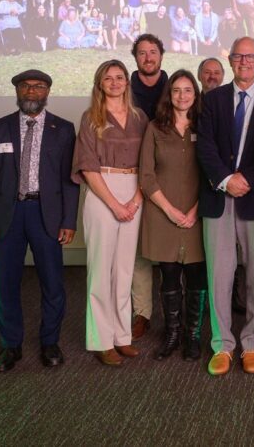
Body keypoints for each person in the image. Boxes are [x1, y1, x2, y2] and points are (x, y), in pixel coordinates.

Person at [0, 70, 78, 372]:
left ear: (48, 92)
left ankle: (50, 341)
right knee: (5, 284)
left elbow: (69, 181)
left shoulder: (64, 129)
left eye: (39, 86)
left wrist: (69, 220)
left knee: (53, 282)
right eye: (25, 86)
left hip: (47, 215)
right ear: (17, 91)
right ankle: (11, 345)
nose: (32, 91)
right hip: (7, 215)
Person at [197, 38, 254, 375]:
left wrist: (246, 178)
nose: (245, 61)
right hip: (218, 198)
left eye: (251, 56)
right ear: (231, 60)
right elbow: (205, 147)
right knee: (219, 277)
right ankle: (222, 345)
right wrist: (225, 179)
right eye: (239, 56)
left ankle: (251, 344)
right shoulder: (213, 99)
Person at [73, 60, 148, 366]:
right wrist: (116, 205)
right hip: (102, 190)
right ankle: (101, 340)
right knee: (101, 271)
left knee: (125, 270)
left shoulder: (140, 117)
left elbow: (149, 164)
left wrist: (136, 200)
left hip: (135, 190)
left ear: (127, 82)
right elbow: (87, 166)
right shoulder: (91, 118)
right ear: (100, 84)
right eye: (108, 78)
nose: (115, 82)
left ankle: (121, 336)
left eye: (120, 77)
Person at [138, 69, 207, 361]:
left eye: (188, 90)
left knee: (196, 277)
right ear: (169, 95)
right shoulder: (155, 128)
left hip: (198, 214)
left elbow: (212, 173)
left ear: (196, 94)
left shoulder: (205, 126)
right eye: (176, 90)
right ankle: (172, 334)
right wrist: (169, 210)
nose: (182, 95)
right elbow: (146, 175)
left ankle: (193, 335)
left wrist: (194, 211)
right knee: (168, 276)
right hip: (162, 213)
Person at [128, 34, 169, 341]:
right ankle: (142, 312)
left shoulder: (176, 88)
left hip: (169, 178)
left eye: (153, 52)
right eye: (142, 53)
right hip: (131, 178)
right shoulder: (122, 89)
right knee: (137, 252)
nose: (148, 57)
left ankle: (173, 315)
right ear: (136, 57)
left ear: (161, 55)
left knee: (170, 250)